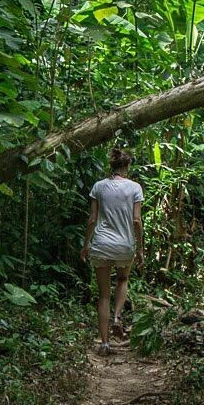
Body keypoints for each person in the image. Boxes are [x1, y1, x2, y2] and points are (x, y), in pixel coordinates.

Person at [80, 147, 144, 356]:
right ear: (127, 166)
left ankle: (105, 343)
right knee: (123, 280)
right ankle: (117, 317)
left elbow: (92, 219)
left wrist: (86, 244)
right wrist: (140, 248)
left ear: (112, 166)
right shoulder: (135, 188)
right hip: (125, 246)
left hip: (101, 245)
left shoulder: (99, 186)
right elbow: (137, 220)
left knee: (103, 295)